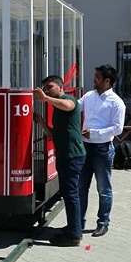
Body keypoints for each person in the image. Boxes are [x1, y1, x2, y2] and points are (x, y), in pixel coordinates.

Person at [33, 75, 86, 247]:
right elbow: (53, 135)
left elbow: (70, 105)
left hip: (72, 155)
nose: (47, 90)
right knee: (69, 195)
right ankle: (74, 227)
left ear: (61, 87)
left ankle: (74, 235)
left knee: (71, 195)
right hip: (65, 154)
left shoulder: (68, 100)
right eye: (46, 88)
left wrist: (46, 98)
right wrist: (40, 122)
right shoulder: (58, 107)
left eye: (50, 87)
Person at [77, 64, 126, 238]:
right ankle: (78, 222)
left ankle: (103, 222)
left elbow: (118, 128)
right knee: (81, 187)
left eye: (97, 77)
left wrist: (95, 133)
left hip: (102, 149)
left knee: (104, 189)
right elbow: (76, 107)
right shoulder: (89, 96)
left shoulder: (116, 102)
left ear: (107, 81)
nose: (94, 79)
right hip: (85, 147)